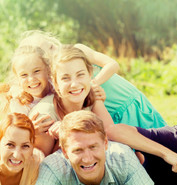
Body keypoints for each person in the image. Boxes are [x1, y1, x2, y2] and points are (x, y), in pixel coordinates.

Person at [29, 45, 177, 170]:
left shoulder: (91, 97)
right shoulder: (45, 114)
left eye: (80, 75)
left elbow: (111, 131)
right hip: (59, 174)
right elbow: (42, 164)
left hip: (83, 167)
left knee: (129, 154)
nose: (75, 84)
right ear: (55, 83)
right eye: (65, 78)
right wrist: (65, 133)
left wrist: (166, 154)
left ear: (90, 74)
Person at [19, 30, 167, 129]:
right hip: (109, 114)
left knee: (155, 135)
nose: (55, 51)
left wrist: (92, 84)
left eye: (51, 46)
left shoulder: (78, 51)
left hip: (127, 103)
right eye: (48, 52)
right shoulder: (60, 76)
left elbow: (112, 64)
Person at [28, 110, 160, 185]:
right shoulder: (52, 166)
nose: (87, 159)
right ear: (65, 152)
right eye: (77, 150)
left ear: (106, 143)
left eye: (93, 147)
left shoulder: (122, 156)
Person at [0, 45, 106, 150]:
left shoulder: (56, 87)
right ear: (18, 79)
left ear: (48, 71)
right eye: (24, 75)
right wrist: (31, 130)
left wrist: (95, 92)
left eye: (36, 71)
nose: (31, 79)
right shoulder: (20, 103)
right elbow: (15, 137)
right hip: (3, 143)